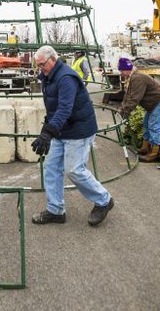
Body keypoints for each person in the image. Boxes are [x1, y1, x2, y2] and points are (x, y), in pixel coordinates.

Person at [31, 45, 114, 226]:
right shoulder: (48, 77)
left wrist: (47, 133)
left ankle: (104, 200)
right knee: (51, 167)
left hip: (79, 130)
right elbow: (53, 108)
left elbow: (64, 109)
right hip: (62, 129)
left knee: (75, 169)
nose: (40, 69)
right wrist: (47, 130)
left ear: (53, 60)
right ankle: (55, 210)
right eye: (37, 65)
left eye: (42, 64)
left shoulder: (66, 78)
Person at [118, 57, 160, 162]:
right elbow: (128, 95)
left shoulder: (137, 78)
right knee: (146, 123)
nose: (122, 73)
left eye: (122, 70)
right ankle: (145, 148)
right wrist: (123, 108)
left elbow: (135, 98)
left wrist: (127, 111)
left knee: (154, 126)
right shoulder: (132, 77)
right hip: (152, 103)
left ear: (127, 69)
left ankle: (154, 154)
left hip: (159, 102)